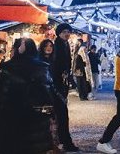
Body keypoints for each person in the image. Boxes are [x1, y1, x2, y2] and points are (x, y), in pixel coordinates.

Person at [0, 38, 56, 154]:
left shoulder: (8, 69)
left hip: (9, 124)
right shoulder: (43, 69)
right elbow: (49, 97)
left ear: (16, 50)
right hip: (37, 125)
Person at [52, 23, 79, 152]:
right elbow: (56, 66)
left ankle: (61, 141)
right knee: (62, 114)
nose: (67, 34)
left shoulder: (65, 45)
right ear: (59, 33)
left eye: (68, 31)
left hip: (62, 84)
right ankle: (65, 142)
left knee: (61, 114)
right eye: (64, 32)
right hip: (57, 86)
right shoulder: (56, 46)